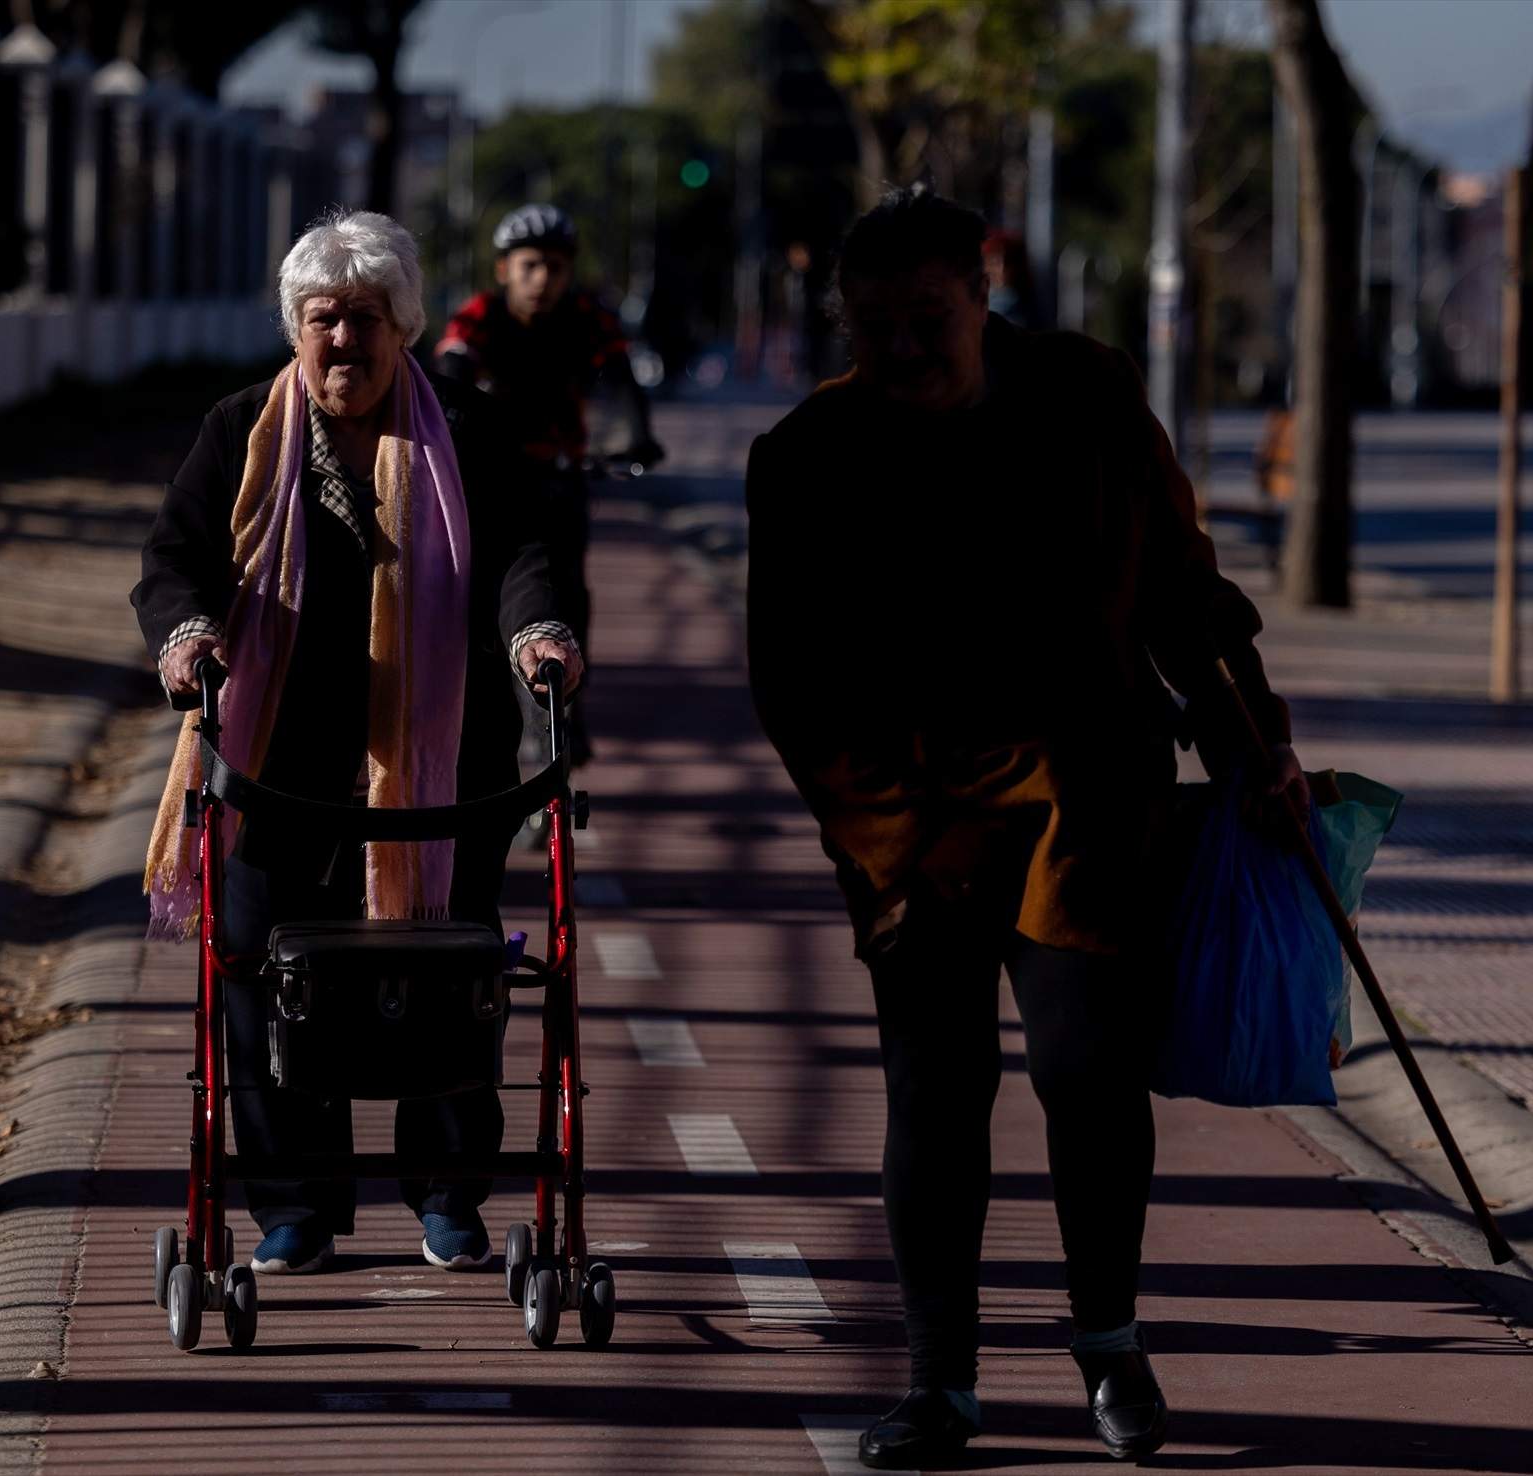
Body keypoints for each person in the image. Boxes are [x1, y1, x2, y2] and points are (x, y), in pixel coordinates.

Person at [745, 188, 1308, 1469]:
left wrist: (1253, 742)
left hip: (1084, 800)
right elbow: (795, 685)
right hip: (908, 824)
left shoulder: (1088, 396)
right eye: (871, 324)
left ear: (982, 291)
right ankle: (941, 1383)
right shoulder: (806, 456)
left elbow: (1184, 586)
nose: (899, 350)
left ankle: (1108, 1342)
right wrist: (890, 845)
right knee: (935, 1094)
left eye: (926, 319)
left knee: (1087, 1071)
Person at [134, 209, 582, 1279]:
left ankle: (446, 1197)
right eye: (324, 318)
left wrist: (537, 632)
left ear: (405, 327)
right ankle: (296, 1208)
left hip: (441, 771)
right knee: (261, 979)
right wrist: (187, 632)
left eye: (366, 318)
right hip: (274, 764)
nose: (344, 340)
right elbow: (174, 557)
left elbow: (525, 547)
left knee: (447, 976)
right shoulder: (240, 427)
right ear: (296, 328)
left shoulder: (467, 430)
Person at [435, 203, 663, 761]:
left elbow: (626, 372)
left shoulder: (587, 316)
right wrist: (453, 417)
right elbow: (452, 363)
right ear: (503, 269)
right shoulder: (480, 314)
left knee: (572, 591)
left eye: (556, 267)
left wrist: (640, 434)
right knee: (490, 588)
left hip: (563, 473)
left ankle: (570, 703)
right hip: (496, 479)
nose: (543, 279)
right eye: (530, 264)